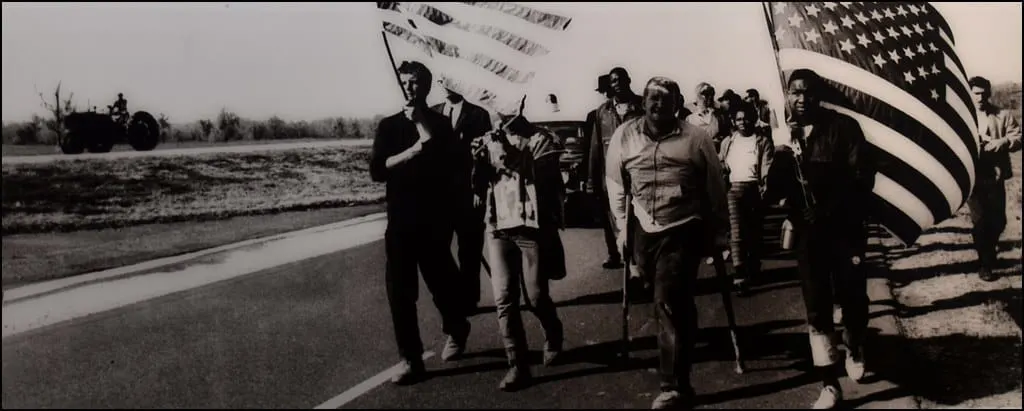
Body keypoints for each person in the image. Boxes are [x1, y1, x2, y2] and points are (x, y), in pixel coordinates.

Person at [605, 77, 729, 409]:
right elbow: (616, 185)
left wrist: (720, 230)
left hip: (684, 226)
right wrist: (621, 232)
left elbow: (715, 188)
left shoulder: (696, 138)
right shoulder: (625, 135)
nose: (658, 104)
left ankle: (674, 385)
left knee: (668, 298)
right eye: (652, 99)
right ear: (643, 102)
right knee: (669, 300)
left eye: (666, 99)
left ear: (678, 105)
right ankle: (682, 335)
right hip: (644, 228)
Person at [765, 68, 874, 408]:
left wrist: (827, 209)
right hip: (809, 236)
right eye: (794, 92)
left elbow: (862, 178)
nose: (801, 99)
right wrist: (782, 157)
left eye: (807, 92)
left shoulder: (843, 128)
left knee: (853, 299)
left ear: (818, 95)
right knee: (816, 308)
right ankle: (829, 385)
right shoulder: (785, 136)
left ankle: (854, 345)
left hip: (845, 230)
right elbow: (773, 194)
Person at [369, 60, 473, 386]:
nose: (409, 88)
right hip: (400, 223)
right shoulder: (388, 127)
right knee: (400, 293)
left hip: (433, 223)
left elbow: (453, 167)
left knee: (442, 286)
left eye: (415, 83)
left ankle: (457, 328)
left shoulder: (441, 126)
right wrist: (412, 151)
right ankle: (410, 359)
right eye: (405, 82)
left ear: (426, 87)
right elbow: (378, 170)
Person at [472, 105, 567, 392]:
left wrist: (506, 151)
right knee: (504, 298)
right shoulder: (488, 138)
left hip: (531, 227)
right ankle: (517, 365)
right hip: (498, 226)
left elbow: (544, 179)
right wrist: (477, 162)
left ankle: (553, 331)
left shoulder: (542, 140)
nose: (503, 115)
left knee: (536, 297)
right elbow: (479, 184)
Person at [432, 87, 494, 311]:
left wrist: (479, 189)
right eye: (441, 81)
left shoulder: (478, 115)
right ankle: (451, 297)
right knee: (438, 249)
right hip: (440, 197)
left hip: (469, 194)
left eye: (448, 81)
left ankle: (469, 300)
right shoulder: (432, 113)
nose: (445, 86)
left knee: (469, 250)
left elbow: (484, 156)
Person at [588, 67, 644, 271]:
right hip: (613, 176)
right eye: (613, 81)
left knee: (640, 222)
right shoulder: (602, 112)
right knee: (618, 223)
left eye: (621, 80)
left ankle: (639, 265)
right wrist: (592, 180)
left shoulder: (642, 106)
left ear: (629, 80)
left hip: (639, 172)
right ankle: (632, 267)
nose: (618, 84)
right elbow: (596, 147)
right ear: (609, 85)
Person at [967, 76, 1022, 281]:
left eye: (983, 93)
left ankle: (988, 249)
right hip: (973, 175)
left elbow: (1018, 137)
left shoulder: (1003, 115)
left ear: (988, 94)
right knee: (980, 220)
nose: (979, 98)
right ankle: (985, 263)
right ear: (970, 94)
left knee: (998, 220)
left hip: (995, 174)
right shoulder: (964, 116)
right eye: (975, 94)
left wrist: (1003, 141)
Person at [718, 101, 775, 295]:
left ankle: (753, 266)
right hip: (732, 190)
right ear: (733, 121)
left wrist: (765, 183)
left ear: (754, 119)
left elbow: (767, 164)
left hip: (754, 190)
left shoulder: (762, 141)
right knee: (736, 232)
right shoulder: (728, 141)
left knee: (754, 232)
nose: (743, 123)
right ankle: (739, 273)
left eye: (747, 118)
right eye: (739, 119)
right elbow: (722, 163)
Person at [686, 82, 729, 149]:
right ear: (697, 96)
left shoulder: (720, 116)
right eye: (705, 93)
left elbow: (726, 136)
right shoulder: (690, 119)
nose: (709, 97)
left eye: (711, 93)